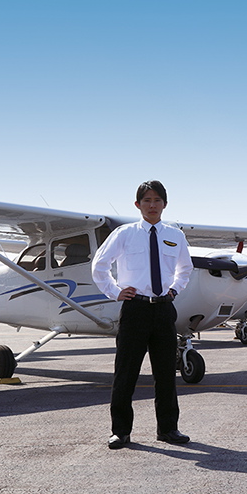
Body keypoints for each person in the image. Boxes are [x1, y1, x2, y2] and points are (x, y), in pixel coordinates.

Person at [91, 180, 193, 449]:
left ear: (164, 204)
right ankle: (121, 431)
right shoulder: (125, 234)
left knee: (165, 374)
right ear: (138, 205)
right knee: (126, 372)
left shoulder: (175, 235)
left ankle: (169, 429)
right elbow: (99, 265)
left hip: (163, 309)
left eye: (157, 200)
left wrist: (174, 291)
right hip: (135, 309)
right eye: (146, 200)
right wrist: (114, 292)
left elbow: (185, 268)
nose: (152, 205)